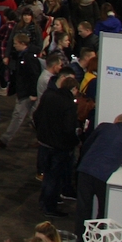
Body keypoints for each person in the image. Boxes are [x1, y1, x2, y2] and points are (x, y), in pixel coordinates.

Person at [77, 114, 122, 236]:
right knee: (103, 210)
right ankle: (97, 238)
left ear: (116, 120)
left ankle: (80, 240)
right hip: (104, 176)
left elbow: (87, 144)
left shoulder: (103, 127)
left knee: (83, 209)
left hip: (85, 170)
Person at [33, 66, 79, 216]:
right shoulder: (69, 104)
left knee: (47, 175)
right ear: (73, 89)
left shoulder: (48, 96)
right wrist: (74, 141)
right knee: (55, 178)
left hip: (44, 143)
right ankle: (49, 206)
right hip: (59, 147)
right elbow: (68, 129)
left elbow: (36, 115)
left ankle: (44, 202)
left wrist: (41, 133)